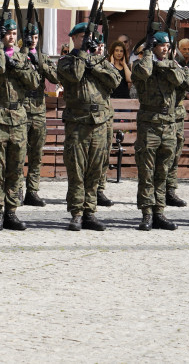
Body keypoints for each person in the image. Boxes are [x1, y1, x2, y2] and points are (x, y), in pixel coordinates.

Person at [56, 22, 120, 231]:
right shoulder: (67, 60)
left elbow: (115, 80)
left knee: (95, 170)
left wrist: (95, 65)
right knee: (76, 170)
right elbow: (74, 75)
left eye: (88, 37)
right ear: (73, 38)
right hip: (77, 122)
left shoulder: (100, 60)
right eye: (82, 37)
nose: (85, 40)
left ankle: (90, 212)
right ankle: (76, 213)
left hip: (99, 123)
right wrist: (84, 55)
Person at [131, 32, 189, 231]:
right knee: (147, 172)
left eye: (168, 45)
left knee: (163, 172)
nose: (165, 48)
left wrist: (168, 64)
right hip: (149, 124)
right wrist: (148, 53)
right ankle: (147, 213)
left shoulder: (175, 65)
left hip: (169, 124)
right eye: (161, 45)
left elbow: (188, 83)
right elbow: (142, 73)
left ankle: (159, 211)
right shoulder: (141, 64)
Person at [0, 17, 39, 231]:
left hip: (18, 117)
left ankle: (11, 211)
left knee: (15, 168)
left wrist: (18, 66)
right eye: (7, 33)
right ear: (0, 34)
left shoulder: (24, 58)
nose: (11, 37)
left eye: (14, 34)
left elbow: (34, 82)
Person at [21, 24, 58, 208]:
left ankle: (32, 190)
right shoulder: (18, 55)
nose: (33, 40)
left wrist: (40, 63)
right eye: (30, 37)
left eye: (36, 37)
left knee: (36, 154)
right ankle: (16, 189)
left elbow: (55, 77)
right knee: (18, 154)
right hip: (20, 110)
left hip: (38, 110)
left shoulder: (42, 58)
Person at [166, 37, 189, 207]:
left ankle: (170, 190)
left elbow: (188, 83)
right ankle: (156, 192)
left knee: (175, 154)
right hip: (161, 117)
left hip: (177, 116)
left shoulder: (181, 66)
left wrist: (177, 63)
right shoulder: (157, 66)